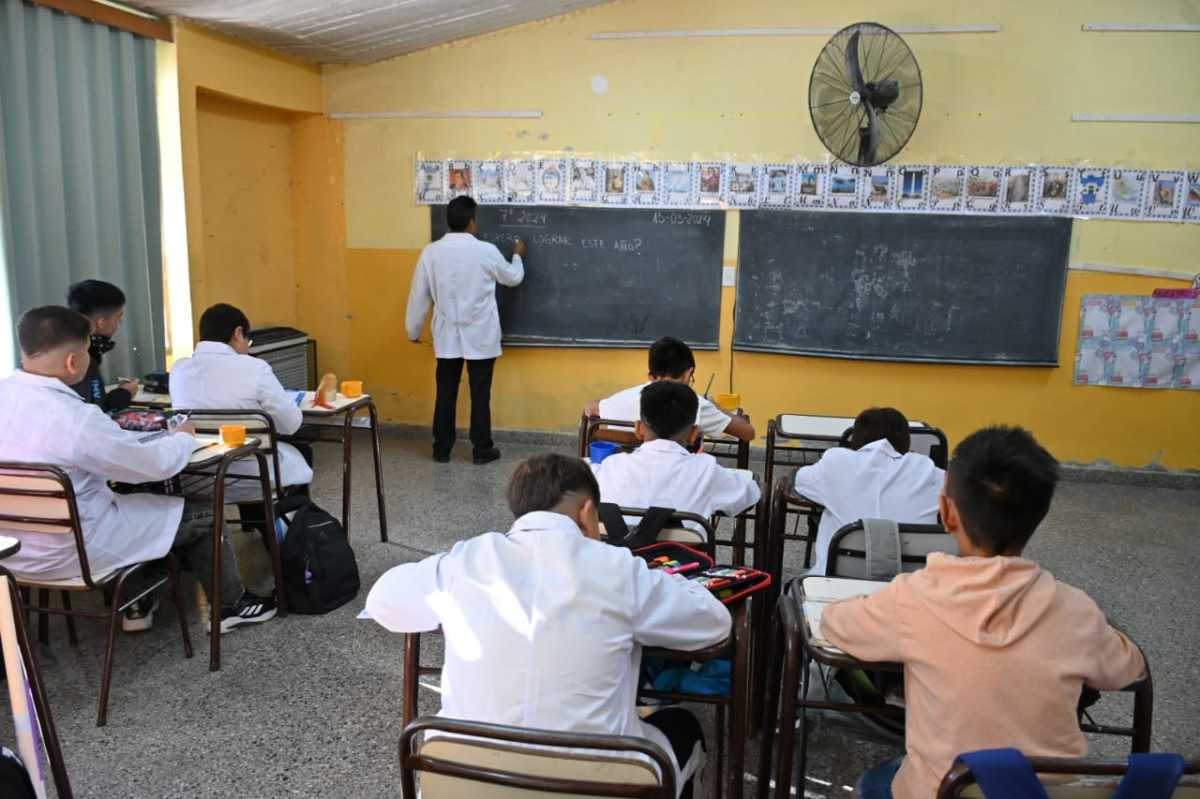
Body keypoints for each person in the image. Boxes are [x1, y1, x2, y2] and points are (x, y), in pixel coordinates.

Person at [366, 454, 730, 798]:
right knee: (683, 726)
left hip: (461, 777)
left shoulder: (466, 560)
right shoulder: (619, 568)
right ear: (588, 513)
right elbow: (714, 625)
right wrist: (673, 581)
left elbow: (381, 601)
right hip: (594, 784)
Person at [821, 426, 1146, 799]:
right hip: (1047, 793)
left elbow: (837, 625)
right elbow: (1129, 668)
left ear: (946, 512)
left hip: (944, 790)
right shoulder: (1076, 610)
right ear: (1039, 515)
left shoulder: (913, 597)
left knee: (877, 782)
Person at [0, 306, 276, 632]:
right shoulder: (75, 418)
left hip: (12, 555)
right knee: (203, 514)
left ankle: (138, 604)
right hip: (77, 552)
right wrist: (182, 440)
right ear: (73, 361)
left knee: (137, 504)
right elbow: (153, 466)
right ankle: (231, 605)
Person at [406, 196, 525, 465]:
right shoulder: (486, 251)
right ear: (472, 221)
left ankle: (442, 449)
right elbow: (513, 278)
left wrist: (413, 330)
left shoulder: (431, 252)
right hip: (480, 335)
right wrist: (517, 255)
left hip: (447, 336)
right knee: (480, 394)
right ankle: (482, 450)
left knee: (445, 391)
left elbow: (419, 296)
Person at [169, 303, 313, 503]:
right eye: (248, 340)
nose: (247, 346)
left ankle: (258, 523)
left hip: (196, 478)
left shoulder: (179, 369)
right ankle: (286, 525)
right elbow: (291, 425)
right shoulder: (255, 368)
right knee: (300, 451)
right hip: (253, 477)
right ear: (238, 333)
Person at [591, 380, 760, 532]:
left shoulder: (610, 467)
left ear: (639, 428)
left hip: (624, 562)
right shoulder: (706, 470)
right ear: (694, 433)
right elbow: (750, 495)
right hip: (686, 564)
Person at [793, 407, 943, 575]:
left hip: (836, 584)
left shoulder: (836, 462)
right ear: (907, 441)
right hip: (914, 586)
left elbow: (800, 481)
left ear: (854, 438)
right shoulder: (927, 469)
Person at [584, 336, 755, 443]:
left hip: (629, 479)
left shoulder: (621, 399)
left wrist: (598, 402)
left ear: (651, 375)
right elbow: (748, 433)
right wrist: (716, 407)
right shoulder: (698, 405)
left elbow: (590, 407)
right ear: (689, 374)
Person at [66, 279, 139, 412]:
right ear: (102, 323)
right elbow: (97, 410)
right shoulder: (84, 358)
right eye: (118, 317)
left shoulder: (62, 344)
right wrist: (125, 393)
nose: (119, 324)